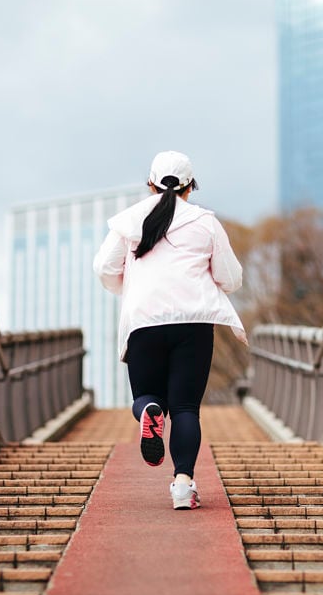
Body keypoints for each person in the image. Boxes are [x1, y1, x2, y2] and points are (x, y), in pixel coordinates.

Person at [93, 150, 247, 509]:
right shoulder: (206, 222)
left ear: (150, 184)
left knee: (147, 394)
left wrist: (129, 288)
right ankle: (182, 487)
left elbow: (104, 267)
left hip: (144, 321)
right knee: (186, 409)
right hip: (193, 324)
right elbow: (232, 277)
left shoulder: (129, 221)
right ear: (191, 187)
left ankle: (149, 412)